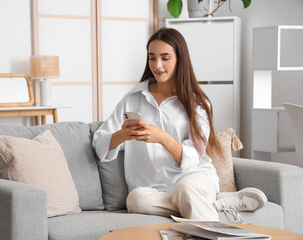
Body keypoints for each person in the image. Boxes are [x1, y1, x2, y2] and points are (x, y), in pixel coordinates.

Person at [92, 28, 267, 223]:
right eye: (152, 58)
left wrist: (162, 138)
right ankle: (216, 205)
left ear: (179, 59)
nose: (157, 65)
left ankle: (205, 210)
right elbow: (99, 143)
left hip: (194, 178)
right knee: (135, 200)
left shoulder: (197, 104)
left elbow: (195, 156)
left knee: (187, 189)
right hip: (153, 190)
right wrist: (122, 135)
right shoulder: (132, 99)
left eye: (165, 58)